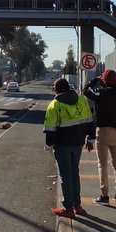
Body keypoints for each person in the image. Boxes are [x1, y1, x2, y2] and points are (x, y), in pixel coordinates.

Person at [44, 77, 95, 218]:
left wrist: (50, 144)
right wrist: (90, 139)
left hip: (62, 145)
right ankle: (77, 205)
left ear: (57, 89)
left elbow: (50, 130)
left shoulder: (55, 105)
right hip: (78, 143)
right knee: (74, 173)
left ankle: (68, 208)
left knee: (65, 176)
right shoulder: (82, 100)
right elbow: (90, 121)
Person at [83, 69, 116, 205]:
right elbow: (112, 95)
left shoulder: (101, 94)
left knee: (102, 164)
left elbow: (86, 91)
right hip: (115, 131)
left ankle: (104, 195)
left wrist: (95, 81)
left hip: (102, 131)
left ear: (104, 80)